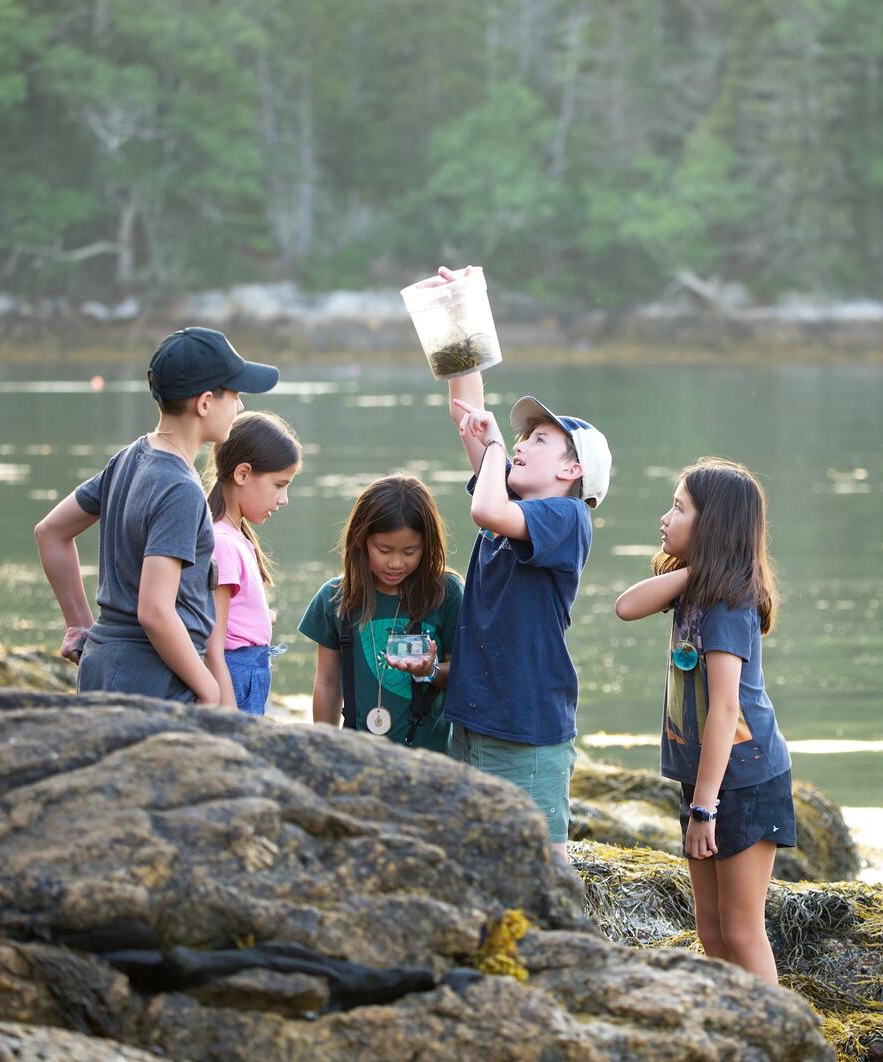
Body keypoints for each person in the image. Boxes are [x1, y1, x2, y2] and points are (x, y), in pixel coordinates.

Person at [433, 269, 612, 860]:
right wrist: (460, 313)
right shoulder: (512, 496)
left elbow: (486, 508)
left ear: (570, 471)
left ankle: (573, 952)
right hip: (478, 713)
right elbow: (467, 411)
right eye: (523, 436)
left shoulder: (567, 518)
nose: (522, 443)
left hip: (528, 722)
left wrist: (489, 451)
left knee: (543, 859)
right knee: (473, 851)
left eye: (539, 440)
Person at [614, 458, 794, 982]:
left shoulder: (728, 606)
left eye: (678, 508)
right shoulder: (695, 591)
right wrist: (698, 566)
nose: (664, 519)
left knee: (740, 930)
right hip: (707, 779)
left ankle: (779, 1036)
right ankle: (735, 1026)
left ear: (712, 526)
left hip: (743, 779)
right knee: (711, 931)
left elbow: (725, 711)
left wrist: (703, 808)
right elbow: (626, 607)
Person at [33, 327, 280, 703]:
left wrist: (79, 623)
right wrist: (209, 688)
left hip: (102, 666)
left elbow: (50, 532)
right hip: (152, 684)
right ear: (205, 403)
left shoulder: (131, 457)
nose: (241, 407)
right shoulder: (180, 488)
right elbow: (155, 611)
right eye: (236, 395)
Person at [299, 474, 463, 752]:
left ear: (428, 545)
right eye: (384, 550)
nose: (396, 563)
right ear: (361, 541)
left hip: (431, 759)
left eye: (410, 551)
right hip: (356, 754)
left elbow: (464, 674)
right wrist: (324, 748)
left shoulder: (446, 592)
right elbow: (327, 682)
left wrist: (429, 671)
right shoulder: (335, 597)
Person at [204, 411, 303, 716]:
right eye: (279, 485)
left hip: (251, 669)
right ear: (243, 474)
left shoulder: (238, 537)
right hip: (234, 675)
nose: (284, 499)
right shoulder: (223, 542)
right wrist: (229, 715)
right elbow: (213, 646)